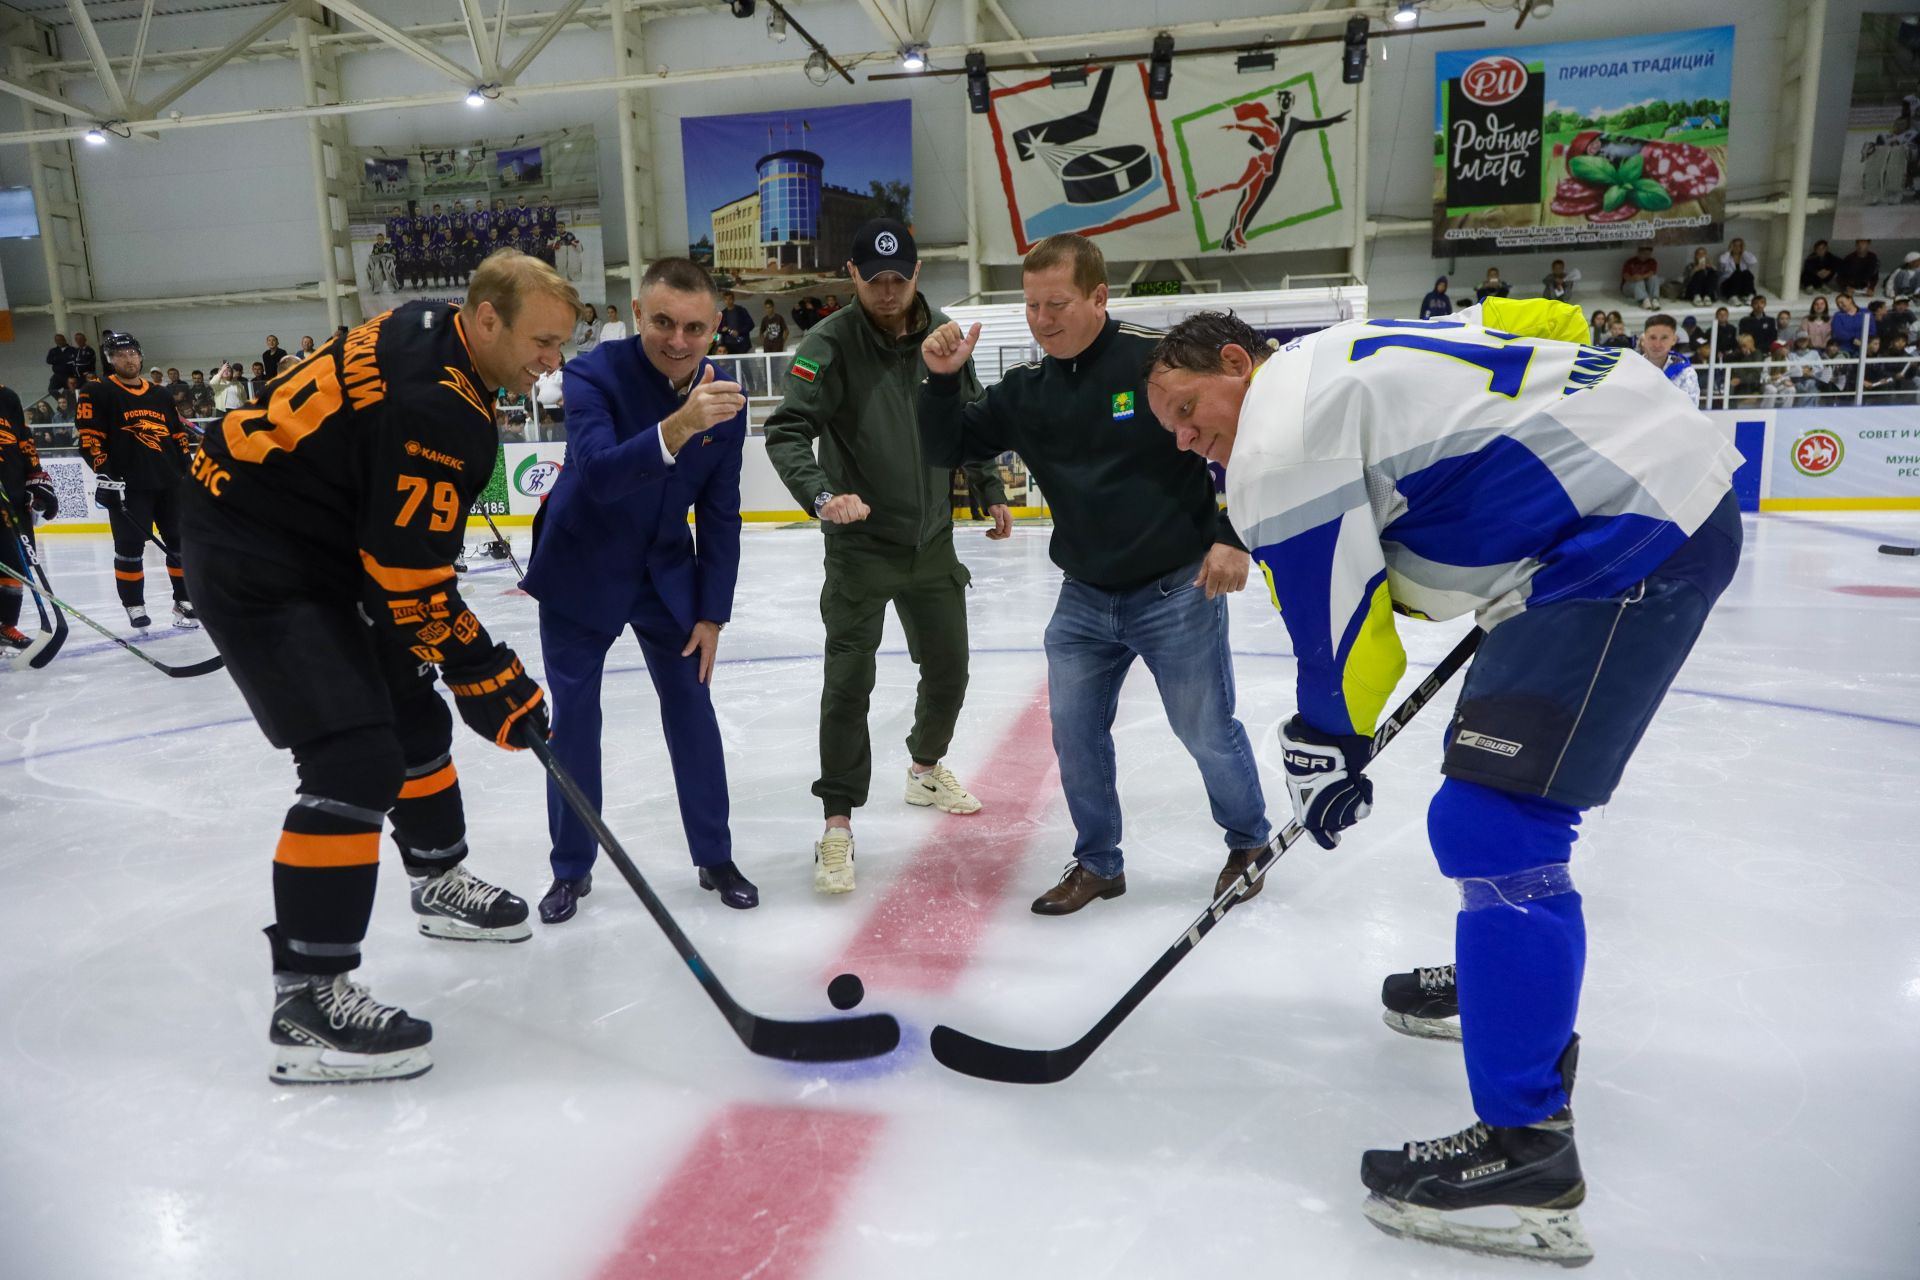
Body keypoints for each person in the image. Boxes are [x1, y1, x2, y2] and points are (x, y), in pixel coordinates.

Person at [1141, 298, 1740, 1268]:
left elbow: (1346, 647)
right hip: (1630, 495)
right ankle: (1508, 979)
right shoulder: (1330, 360)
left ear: (1237, 362)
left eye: (1184, 405)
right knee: (1488, 811)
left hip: (1629, 531)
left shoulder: (1276, 437)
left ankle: (1527, 1152)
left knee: (1497, 822)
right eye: (1168, 426)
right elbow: (1540, 320)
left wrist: (1322, 752)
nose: (1183, 437)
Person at [178, 251, 573, 1085]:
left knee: (413, 712)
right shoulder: (442, 408)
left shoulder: (430, 325)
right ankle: (308, 1000)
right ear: (489, 318)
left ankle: (437, 882)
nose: (552, 363)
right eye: (541, 342)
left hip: (314, 536)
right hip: (255, 554)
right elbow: (409, 584)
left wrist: (460, 674)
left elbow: (389, 538)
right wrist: (487, 672)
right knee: (353, 756)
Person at [918, 231, 1272, 914]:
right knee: (1075, 733)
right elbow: (945, 446)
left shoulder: (1155, 368)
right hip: (1084, 597)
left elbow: (1249, 440)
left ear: (1099, 296)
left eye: (1057, 303)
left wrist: (1231, 536)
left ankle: (1250, 842)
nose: (1042, 319)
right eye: (1030, 306)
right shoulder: (1025, 392)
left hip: (1177, 589)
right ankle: (1098, 863)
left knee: (1203, 727)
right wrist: (940, 381)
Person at [765, 219, 1010, 895]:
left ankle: (925, 768)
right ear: (852, 277)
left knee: (951, 670)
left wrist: (988, 488)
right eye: (875, 281)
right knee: (848, 685)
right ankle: (837, 824)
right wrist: (821, 495)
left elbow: (970, 413)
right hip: (861, 548)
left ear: (918, 271)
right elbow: (788, 430)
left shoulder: (943, 334)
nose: (888, 291)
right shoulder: (829, 345)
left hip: (931, 541)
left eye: (899, 277)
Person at [520, 258, 755, 922]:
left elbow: (720, 513)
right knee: (575, 720)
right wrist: (681, 424)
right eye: (661, 323)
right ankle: (571, 869)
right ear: (636, 311)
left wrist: (713, 612)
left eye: (694, 328)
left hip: (664, 573)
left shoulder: (726, 400)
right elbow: (596, 476)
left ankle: (715, 856)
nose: (677, 341)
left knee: (692, 707)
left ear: (715, 326)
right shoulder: (593, 373)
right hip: (581, 567)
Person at [76, 330, 196, 630]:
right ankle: (134, 604)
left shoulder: (160, 394)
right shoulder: (97, 391)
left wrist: (187, 471)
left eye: (132, 353)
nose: (128, 358)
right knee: (129, 548)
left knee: (181, 543)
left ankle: (184, 601)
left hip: (169, 482)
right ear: (110, 359)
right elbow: (90, 438)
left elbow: (177, 435)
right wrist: (105, 476)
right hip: (128, 485)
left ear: (140, 356)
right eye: (120, 354)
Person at [0, 381, 54, 653]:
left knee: (14, 562)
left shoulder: (6, 396)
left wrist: (36, 478)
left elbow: (23, 439)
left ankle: (6, 626)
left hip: (11, 493)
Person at [1638, 313, 1698, 402]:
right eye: (1652, 337)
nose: (1657, 344)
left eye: (1664, 338)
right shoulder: (1632, 369)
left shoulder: (1685, 374)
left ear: (1674, 340)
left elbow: (1689, 412)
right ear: (1643, 340)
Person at [716, 291, 755, 392]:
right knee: (732, 369)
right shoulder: (723, 314)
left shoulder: (741, 311)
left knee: (745, 367)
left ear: (733, 299)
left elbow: (751, 324)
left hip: (742, 345)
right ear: (724, 300)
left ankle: (752, 388)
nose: (728, 301)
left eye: (730, 299)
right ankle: (737, 389)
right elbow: (717, 328)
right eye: (726, 299)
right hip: (729, 346)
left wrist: (740, 332)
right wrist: (722, 330)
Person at [1717, 238, 1757, 302]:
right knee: (1737, 273)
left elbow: (1753, 261)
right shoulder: (1726, 256)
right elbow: (1722, 262)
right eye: (1735, 245)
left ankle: (1748, 295)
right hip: (1728, 285)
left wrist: (1743, 251)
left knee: (1747, 273)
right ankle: (1732, 297)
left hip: (1741, 285)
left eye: (1740, 246)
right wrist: (1729, 251)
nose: (1737, 248)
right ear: (1731, 246)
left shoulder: (1745, 257)